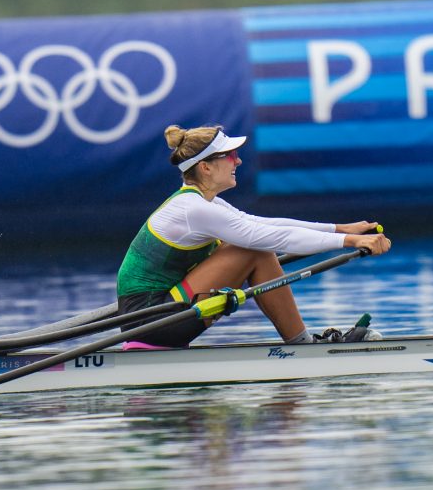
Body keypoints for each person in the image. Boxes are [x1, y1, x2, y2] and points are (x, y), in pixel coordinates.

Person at [116, 124, 392, 347]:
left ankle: (301, 342)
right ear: (206, 167)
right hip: (152, 319)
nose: (238, 159)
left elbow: (264, 223)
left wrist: (341, 229)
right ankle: (302, 345)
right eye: (229, 155)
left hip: (158, 313)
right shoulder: (193, 208)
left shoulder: (204, 203)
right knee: (252, 248)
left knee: (255, 243)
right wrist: (351, 242)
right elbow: (271, 237)